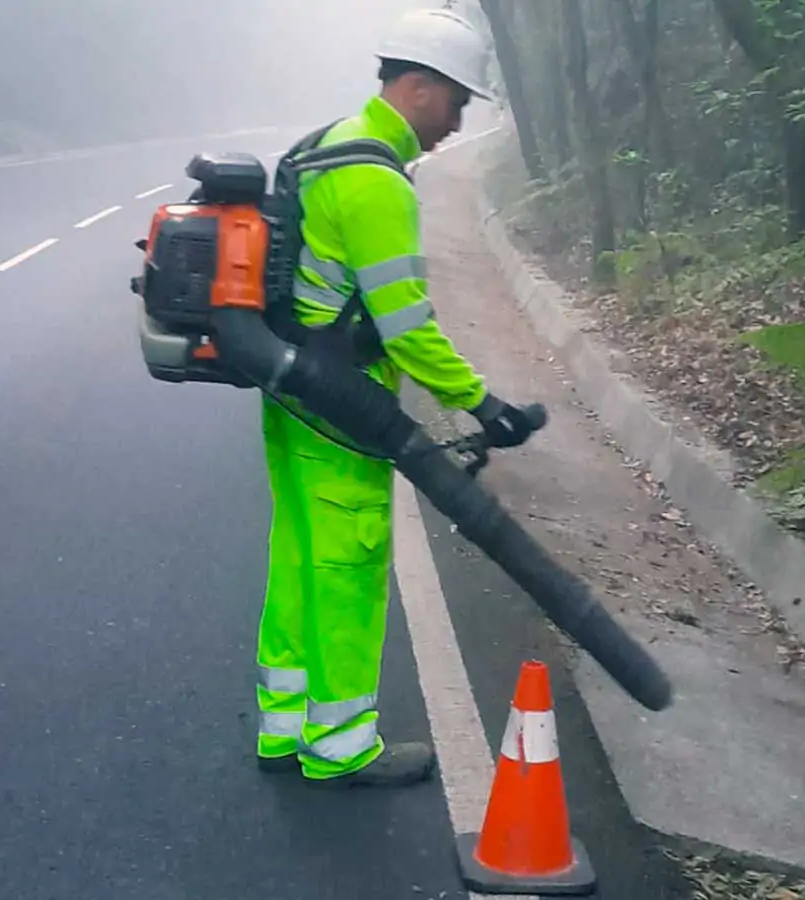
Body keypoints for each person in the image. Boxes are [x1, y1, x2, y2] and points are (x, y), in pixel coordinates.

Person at [253, 8, 539, 788]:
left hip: (289, 385)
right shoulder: (375, 180)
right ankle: (341, 741)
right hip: (343, 403)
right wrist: (483, 405)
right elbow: (406, 325)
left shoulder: (326, 144)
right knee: (350, 559)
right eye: (457, 101)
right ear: (417, 88)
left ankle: (285, 724)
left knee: (300, 551)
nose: (458, 120)